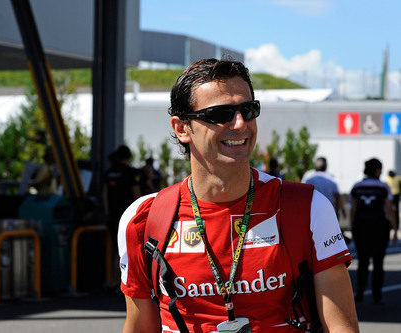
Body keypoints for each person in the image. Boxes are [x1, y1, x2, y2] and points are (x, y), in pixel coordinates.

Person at [118, 58, 358, 332]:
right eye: (220, 114)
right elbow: (139, 326)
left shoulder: (308, 207)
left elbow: (342, 327)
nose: (241, 123)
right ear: (182, 128)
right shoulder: (143, 218)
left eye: (248, 109)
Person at [350, 158, 397, 304]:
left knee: (363, 262)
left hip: (361, 226)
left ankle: (359, 293)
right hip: (379, 228)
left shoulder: (357, 187)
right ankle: (377, 295)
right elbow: (389, 210)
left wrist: (353, 227)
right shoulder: (383, 187)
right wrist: (395, 228)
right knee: (378, 262)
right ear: (377, 170)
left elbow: (353, 209)